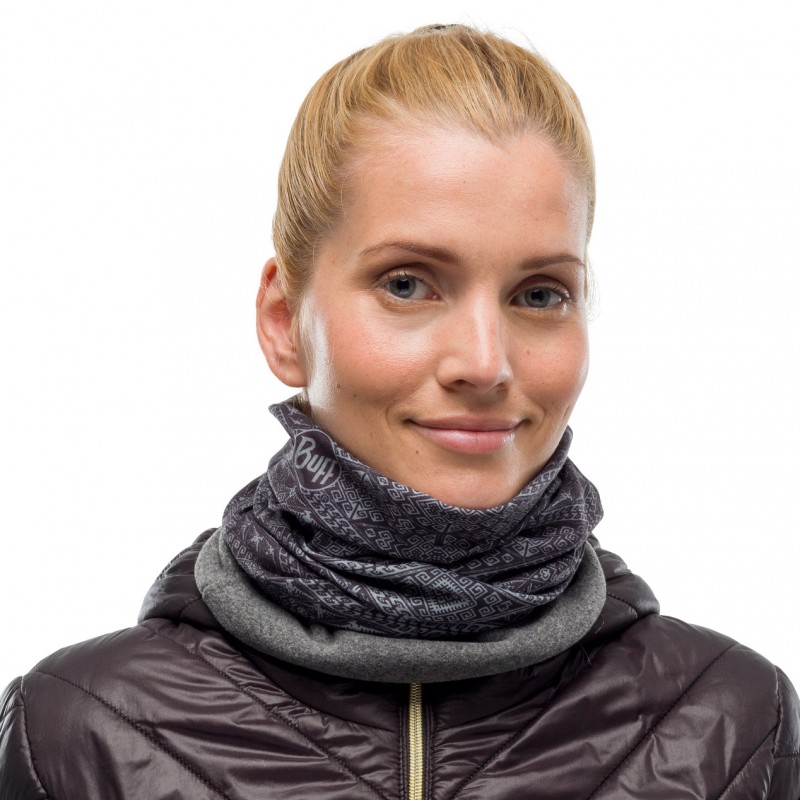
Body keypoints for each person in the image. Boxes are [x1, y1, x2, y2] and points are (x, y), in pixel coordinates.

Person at [1, 23, 798, 799]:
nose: (484, 362)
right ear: (283, 322)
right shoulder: (74, 733)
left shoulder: (734, 726)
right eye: (408, 284)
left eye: (539, 294)